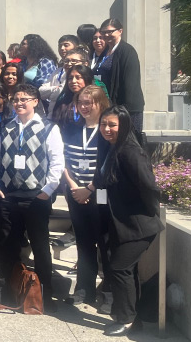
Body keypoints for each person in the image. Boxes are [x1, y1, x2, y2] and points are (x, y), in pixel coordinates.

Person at [0, 83, 65, 311]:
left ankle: (45, 293)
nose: (19, 103)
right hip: (8, 195)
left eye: (25, 99)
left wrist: (47, 191)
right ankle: (4, 290)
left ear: (35, 102)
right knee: (6, 245)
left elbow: (57, 161)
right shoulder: (4, 126)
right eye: (16, 99)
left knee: (40, 246)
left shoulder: (49, 128)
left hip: (36, 197)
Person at [94, 105, 164, 336]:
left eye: (112, 125)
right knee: (126, 269)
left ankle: (126, 318)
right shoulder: (113, 148)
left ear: (124, 125)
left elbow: (149, 186)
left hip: (139, 225)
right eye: (104, 124)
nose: (107, 129)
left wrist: (152, 212)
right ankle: (133, 316)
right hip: (121, 223)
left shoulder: (129, 151)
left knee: (119, 268)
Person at [61, 85, 111, 305]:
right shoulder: (71, 129)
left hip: (100, 194)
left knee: (106, 244)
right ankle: (84, 290)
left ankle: (109, 294)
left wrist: (89, 188)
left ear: (101, 104)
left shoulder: (106, 130)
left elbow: (107, 166)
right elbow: (63, 160)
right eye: (80, 102)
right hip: (75, 192)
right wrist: (73, 187)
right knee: (84, 243)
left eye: (89, 102)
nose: (84, 107)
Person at [99, 19, 146, 134]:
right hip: (110, 106)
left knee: (129, 143)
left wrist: (121, 109)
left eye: (110, 32)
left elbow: (130, 82)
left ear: (120, 31)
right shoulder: (105, 51)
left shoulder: (127, 51)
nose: (106, 35)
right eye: (103, 32)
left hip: (126, 108)